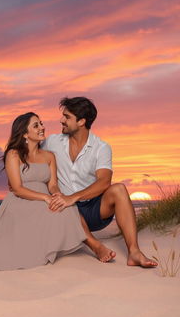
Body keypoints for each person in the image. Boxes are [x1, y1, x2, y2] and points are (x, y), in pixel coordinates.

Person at [0, 112, 87, 270]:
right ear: (25, 133)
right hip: (21, 200)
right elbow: (17, 188)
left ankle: (50, 247)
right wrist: (45, 197)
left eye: (41, 123)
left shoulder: (49, 156)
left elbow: (52, 184)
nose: (42, 127)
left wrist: (56, 193)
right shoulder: (13, 154)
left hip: (43, 197)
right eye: (36, 125)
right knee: (46, 211)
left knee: (66, 207)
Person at [42, 97, 157, 267]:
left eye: (67, 117)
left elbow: (104, 182)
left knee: (119, 189)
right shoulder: (51, 142)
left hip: (94, 209)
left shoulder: (101, 147)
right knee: (66, 205)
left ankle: (134, 252)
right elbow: (28, 153)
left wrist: (73, 197)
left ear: (81, 121)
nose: (61, 120)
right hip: (65, 212)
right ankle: (96, 247)